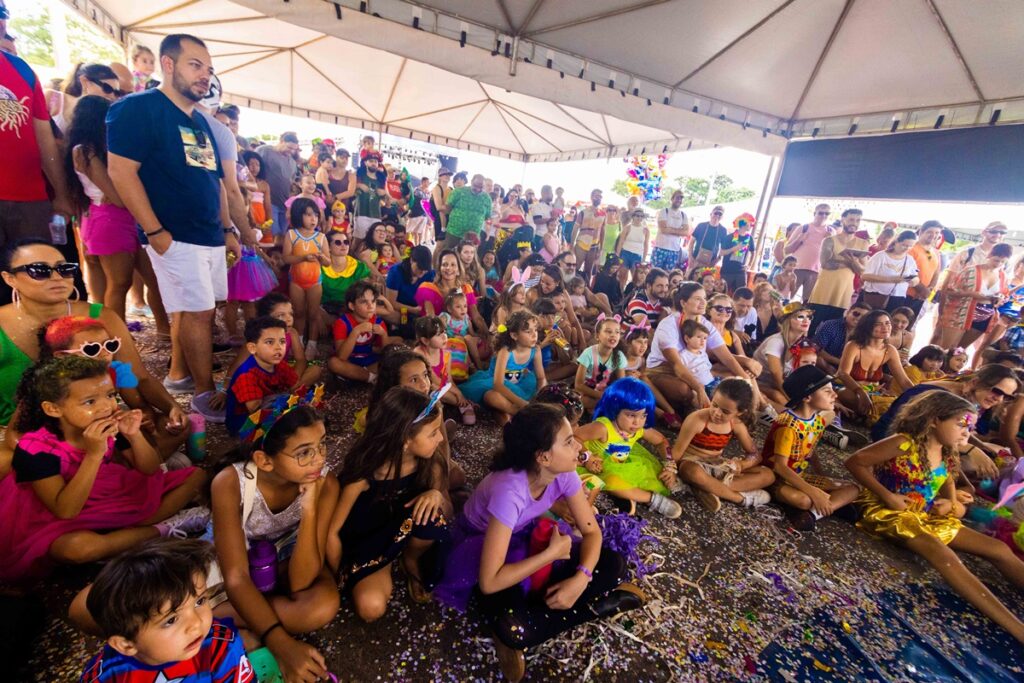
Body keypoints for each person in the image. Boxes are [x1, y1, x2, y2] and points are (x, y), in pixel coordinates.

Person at [434, 403, 645, 681]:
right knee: (514, 629)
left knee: (614, 563)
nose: (579, 448)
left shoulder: (565, 472)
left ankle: (552, 608)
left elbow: (592, 532)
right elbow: (490, 580)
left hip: (523, 537)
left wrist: (581, 578)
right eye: (569, 442)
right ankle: (599, 607)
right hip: (481, 547)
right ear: (543, 457)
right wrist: (550, 555)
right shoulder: (509, 491)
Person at [107, 34, 249, 422]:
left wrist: (227, 229)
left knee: (195, 310)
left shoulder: (199, 122)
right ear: (167, 65)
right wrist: (154, 231)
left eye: (209, 68)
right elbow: (121, 172)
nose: (205, 75)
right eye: (195, 65)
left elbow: (215, 182)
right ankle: (204, 392)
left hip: (205, 234)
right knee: (199, 312)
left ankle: (183, 378)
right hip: (174, 235)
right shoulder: (138, 109)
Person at [0, 355, 204, 582]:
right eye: (90, 402)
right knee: (78, 549)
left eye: (110, 395)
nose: (107, 406)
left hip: (105, 490)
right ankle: (165, 528)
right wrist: (94, 455)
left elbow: (149, 469)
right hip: (50, 513)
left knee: (197, 475)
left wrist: (134, 434)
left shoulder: (109, 423)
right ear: (53, 409)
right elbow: (65, 511)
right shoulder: (36, 450)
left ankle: (130, 532)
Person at [846, 391, 1024, 644]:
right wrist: (887, 496)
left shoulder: (948, 450)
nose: (967, 432)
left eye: (971, 426)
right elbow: (855, 462)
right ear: (933, 420)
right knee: (944, 557)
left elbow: (947, 478)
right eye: (961, 424)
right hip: (894, 512)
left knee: (999, 548)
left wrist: (951, 503)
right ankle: (1016, 628)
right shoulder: (903, 442)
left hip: (927, 514)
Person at [0, 241, 187, 447]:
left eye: (65, 269)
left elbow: (138, 376)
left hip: (94, 419)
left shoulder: (102, 316)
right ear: (9, 278)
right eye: (39, 270)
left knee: (174, 427)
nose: (56, 277)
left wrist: (172, 408)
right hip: (21, 432)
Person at [207, 404, 339, 683]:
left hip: (287, 554)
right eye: (304, 453)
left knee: (323, 605)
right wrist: (282, 644)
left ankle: (217, 616)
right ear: (264, 461)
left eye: (322, 444)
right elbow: (236, 576)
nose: (318, 460)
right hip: (238, 557)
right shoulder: (230, 483)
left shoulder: (325, 483)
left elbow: (302, 580)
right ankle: (227, 616)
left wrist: (310, 509)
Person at [327, 386, 452, 622]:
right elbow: (333, 532)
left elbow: (443, 507)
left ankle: (410, 558)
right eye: (433, 432)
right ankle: (385, 564)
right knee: (371, 609)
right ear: (406, 439)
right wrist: (336, 575)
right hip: (367, 544)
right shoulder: (363, 476)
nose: (441, 438)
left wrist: (436, 493)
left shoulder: (429, 463)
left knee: (433, 514)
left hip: (403, 528)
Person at [78, 539, 256, 683]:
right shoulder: (108, 676)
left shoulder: (220, 646)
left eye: (199, 601)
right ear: (127, 645)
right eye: (171, 620)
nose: (196, 624)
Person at [65, 95, 168, 329]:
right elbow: (118, 196)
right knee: (119, 283)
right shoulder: (83, 151)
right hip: (108, 218)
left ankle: (164, 329)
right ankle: (118, 337)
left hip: (130, 216)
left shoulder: (108, 148)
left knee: (155, 279)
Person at [37, 315, 189, 460]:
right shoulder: (52, 383)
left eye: (110, 345)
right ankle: (153, 462)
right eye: (92, 349)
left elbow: (140, 405)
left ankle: (152, 460)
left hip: (117, 434)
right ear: (62, 356)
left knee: (175, 424)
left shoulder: (115, 371)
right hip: (77, 444)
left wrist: (144, 419)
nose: (105, 354)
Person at [0, 27, 74, 305]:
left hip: (31, 200)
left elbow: (45, 139)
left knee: (38, 284)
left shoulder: (21, 69)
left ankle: (38, 346)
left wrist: (62, 194)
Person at [763, 365, 860, 531]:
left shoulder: (817, 420)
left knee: (853, 488)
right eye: (827, 391)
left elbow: (810, 451)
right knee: (804, 500)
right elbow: (780, 466)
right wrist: (814, 492)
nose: (835, 395)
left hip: (801, 476)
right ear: (807, 397)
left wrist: (822, 477)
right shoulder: (788, 425)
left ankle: (812, 514)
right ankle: (822, 506)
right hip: (778, 479)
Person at [574, 377, 680, 518]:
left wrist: (669, 465)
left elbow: (661, 441)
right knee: (611, 482)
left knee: (657, 476)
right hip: (594, 465)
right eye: (631, 415)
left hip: (620, 463)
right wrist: (587, 457)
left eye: (643, 415)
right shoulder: (603, 427)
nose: (638, 422)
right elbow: (575, 436)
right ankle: (652, 499)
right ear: (615, 410)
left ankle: (629, 495)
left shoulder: (638, 429)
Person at [646, 283, 756, 412]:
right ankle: (682, 410)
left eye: (704, 298)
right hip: (664, 371)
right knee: (684, 390)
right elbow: (676, 366)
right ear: (683, 303)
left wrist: (746, 380)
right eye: (698, 299)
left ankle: (757, 408)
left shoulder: (704, 323)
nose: (703, 302)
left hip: (695, 369)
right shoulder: (668, 325)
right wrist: (699, 388)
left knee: (736, 378)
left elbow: (727, 357)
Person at [672, 378, 773, 512]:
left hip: (718, 466)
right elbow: (676, 453)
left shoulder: (736, 425)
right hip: (693, 463)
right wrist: (671, 470)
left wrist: (742, 465)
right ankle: (739, 498)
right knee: (692, 472)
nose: (717, 413)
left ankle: (705, 487)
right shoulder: (697, 419)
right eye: (714, 405)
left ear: (740, 412)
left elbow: (755, 455)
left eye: (725, 412)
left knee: (768, 475)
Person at [459, 310, 546, 425]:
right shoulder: (506, 351)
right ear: (514, 335)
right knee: (490, 397)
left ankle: (508, 412)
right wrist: (522, 403)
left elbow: (541, 378)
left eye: (535, 330)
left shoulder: (536, 350)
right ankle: (517, 411)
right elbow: (498, 385)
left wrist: (540, 395)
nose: (534, 335)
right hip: (493, 385)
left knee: (505, 417)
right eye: (528, 331)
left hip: (519, 385)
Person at [224, 317, 301, 437]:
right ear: (252, 348)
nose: (278, 347)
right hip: (245, 424)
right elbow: (254, 410)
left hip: (271, 407)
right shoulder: (247, 375)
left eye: (282, 341)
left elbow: (296, 387)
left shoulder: (278, 364)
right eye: (270, 342)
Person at [835, 309, 914, 422]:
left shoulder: (890, 350)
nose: (885, 327)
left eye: (887, 323)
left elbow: (904, 381)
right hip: (848, 390)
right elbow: (842, 374)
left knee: (897, 404)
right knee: (854, 398)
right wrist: (861, 392)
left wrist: (920, 396)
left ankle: (864, 416)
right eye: (879, 324)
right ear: (868, 327)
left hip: (874, 393)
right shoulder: (854, 345)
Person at [937, 242, 1012, 352]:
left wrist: (1000, 297)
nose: (998, 264)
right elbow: (950, 290)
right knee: (948, 349)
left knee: (960, 350)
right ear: (989, 256)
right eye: (996, 260)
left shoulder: (1003, 276)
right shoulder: (971, 270)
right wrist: (969, 294)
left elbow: (1005, 294)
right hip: (961, 313)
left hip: (985, 315)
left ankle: (950, 369)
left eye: (1002, 262)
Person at [807, 209, 869, 330]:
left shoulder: (863, 244)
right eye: (851, 219)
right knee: (812, 326)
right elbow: (826, 264)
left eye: (858, 220)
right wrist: (851, 262)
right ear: (843, 220)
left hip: (843, 293)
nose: (854, 223)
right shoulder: (830, 240)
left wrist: (850, 261)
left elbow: (862, 271)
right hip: (823, 291)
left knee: (833, 328)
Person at [413, 316, 475, 420]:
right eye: (438, 334)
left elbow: (448, 379)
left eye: (444, 332)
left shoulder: (446, 353)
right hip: (425, 386)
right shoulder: (419, 353)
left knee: (449, 391)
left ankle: (454, 405)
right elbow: (433, 380)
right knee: (436, 389)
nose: (444, 337)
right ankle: (460, 405)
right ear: (425, 340)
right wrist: (458, 394)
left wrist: (458, 393)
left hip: (442, 386)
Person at [329, 282, 390, 384]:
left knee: (393, 358)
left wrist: (383, 334)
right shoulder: (342, 323)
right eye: (364, 302)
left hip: (369, 360)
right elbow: (342, 356)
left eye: (373, 301)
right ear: (352, 306)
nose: (370, 306)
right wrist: (355, 332)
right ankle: (371, 377)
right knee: (333, 363)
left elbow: (386, 352)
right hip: (349, 361)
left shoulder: (378, 322)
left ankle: (358, 376)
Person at [45, 62, 122, 134]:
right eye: (107, 88)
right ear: (84, 82)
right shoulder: (52, 98)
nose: (112, 96)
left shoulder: (104, 117)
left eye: (116, 93)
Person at [574, 315, 627, 411]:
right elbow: (578, 384)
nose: (613, 335)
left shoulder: (619, 356)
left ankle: (598, 408)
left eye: (617, 332)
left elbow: (621, 383)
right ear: (597, 335)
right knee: (578, 401)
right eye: (608, 331)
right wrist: (601, 395)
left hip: (606, 390)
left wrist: (611, 395)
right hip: (587, 390)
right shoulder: (588, 353)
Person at [860, 229, 920, 312]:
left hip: (897, 297)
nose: (906, 248)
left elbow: (916, 277)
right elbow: (865, 276)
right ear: (896, 242)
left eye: (910, 246)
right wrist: (891, 279)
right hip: (875, 296)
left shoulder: (910, 260)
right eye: (904, 245)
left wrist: (913, 281)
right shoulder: (881, 256)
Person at [256, 132, 300, 243]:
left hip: (285, 204)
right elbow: (252, 164)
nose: (291, 151)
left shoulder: (292, 162)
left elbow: (291, 181)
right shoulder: (265, 150)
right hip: (270, 201)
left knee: (282, 236)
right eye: (289, 147)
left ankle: (278, 259)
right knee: (273, 233)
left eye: (294, 149)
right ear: (281, 141)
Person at [785, 203, 834, 299]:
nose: (824, 216)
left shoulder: (831, 232)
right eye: (821, 213)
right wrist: (799, 239)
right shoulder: (803, 228)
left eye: (827, 214)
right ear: (814, 213)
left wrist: (829, 241)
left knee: (808, 303)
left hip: (816, 272)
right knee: (786, 298)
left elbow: (832, 256)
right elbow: (787, 250)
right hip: (797, 269)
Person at [319, 231, 371, 318]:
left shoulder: (358, 266)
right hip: (325, 309)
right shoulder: (319, 268)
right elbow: (312, 298)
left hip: (352, 309)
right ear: (328, 247)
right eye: (338, 242)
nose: (344, 245)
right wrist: (320, 315)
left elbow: (365, 293)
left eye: (346, 242)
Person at [812, 301, 871, 374]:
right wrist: (839, 362)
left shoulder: (865, 334)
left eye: (863, 317)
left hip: (846, 370)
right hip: (823, 365)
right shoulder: (831, 325)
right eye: (856, 314)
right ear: (848, 312)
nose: (859, 318)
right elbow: (816, 350)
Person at [443, 173, 493, 251]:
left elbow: (487, 217)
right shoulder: (458, 192)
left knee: (469, 259)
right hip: (454, 232)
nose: (478, 189)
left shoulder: (487, 199)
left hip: (473, 236)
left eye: (481, 187)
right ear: (471, 181)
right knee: (449, 255)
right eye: (476, 186)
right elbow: (447, 208)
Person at [906, 220, 944, 319]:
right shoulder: (911, 249)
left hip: (922, 297)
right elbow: (907, 272)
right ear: (921, 232)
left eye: (937, 233)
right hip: (907, 294)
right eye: (930, 232)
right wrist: (922, 290)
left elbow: (936, 273)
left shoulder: (936, 252)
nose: (933, 235)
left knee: (909, 327)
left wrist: (929, 290)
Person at [440, 289, 484, 374]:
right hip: (452, 344)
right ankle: (471, 366)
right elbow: (440, 329)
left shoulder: (466, 319)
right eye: (458, 307)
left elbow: (472, 334)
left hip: (467, 343)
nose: (463, 309)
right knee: (459, 338)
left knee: (467, 337)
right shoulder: (447, 317)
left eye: (465, 306)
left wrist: (479, 337)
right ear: (449, 309)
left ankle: (478, 363)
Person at [571, 189, 607, 278]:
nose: (598, 198)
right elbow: (575, 229)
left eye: (600, 196)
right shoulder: (583, 212)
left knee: (589, 270)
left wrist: (601, 248)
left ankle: (586, 288)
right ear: (591, 197)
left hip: (594, 246)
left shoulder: (603, 214)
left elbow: (602, 231)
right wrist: (572, 246)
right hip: (581, 244)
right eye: (596, 196)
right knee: (575, 268)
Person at [651, 190, 689, 272]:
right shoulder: (664, 211)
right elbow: (663, 229)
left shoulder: (683, 215)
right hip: (660, 248)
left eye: (681, 198)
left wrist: (670, 229)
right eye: (677, 197)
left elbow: (686, 232)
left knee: (668, 275)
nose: (679, 200)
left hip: (674, 251)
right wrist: (679, 231)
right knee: (654, 273)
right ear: (672, 199)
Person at [719, 214, 755, 293]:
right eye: (750, 223)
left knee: (740, 294)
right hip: (727, 271)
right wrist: (734, 249)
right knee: (722, 293)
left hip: (741, 272)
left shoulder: (749, 238)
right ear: (743, 224)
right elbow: (721, 253)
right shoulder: (729, 237)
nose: (751, 225)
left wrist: (749, 265)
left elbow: (753, 252)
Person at [689, 205, 727, 272]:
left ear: (722, 217)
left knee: (706, 281)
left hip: (710, 263)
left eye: (720, 214)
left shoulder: (723, 230)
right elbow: (691, 242)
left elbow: (723, 249)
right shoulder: (701, 225)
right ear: (711, 214)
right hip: (695, 260)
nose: (717, 216)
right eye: (716, 213)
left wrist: (716, 260)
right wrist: (690, 257)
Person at [430, 168, 453, 244]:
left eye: (448, 175)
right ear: (440, 176)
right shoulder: (436, 188)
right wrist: (450, 208)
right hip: (439, 219)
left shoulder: (450, 189)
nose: (447, 176)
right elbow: (439, 207)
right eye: (444, 174)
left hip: (449, 219)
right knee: (440, 244)